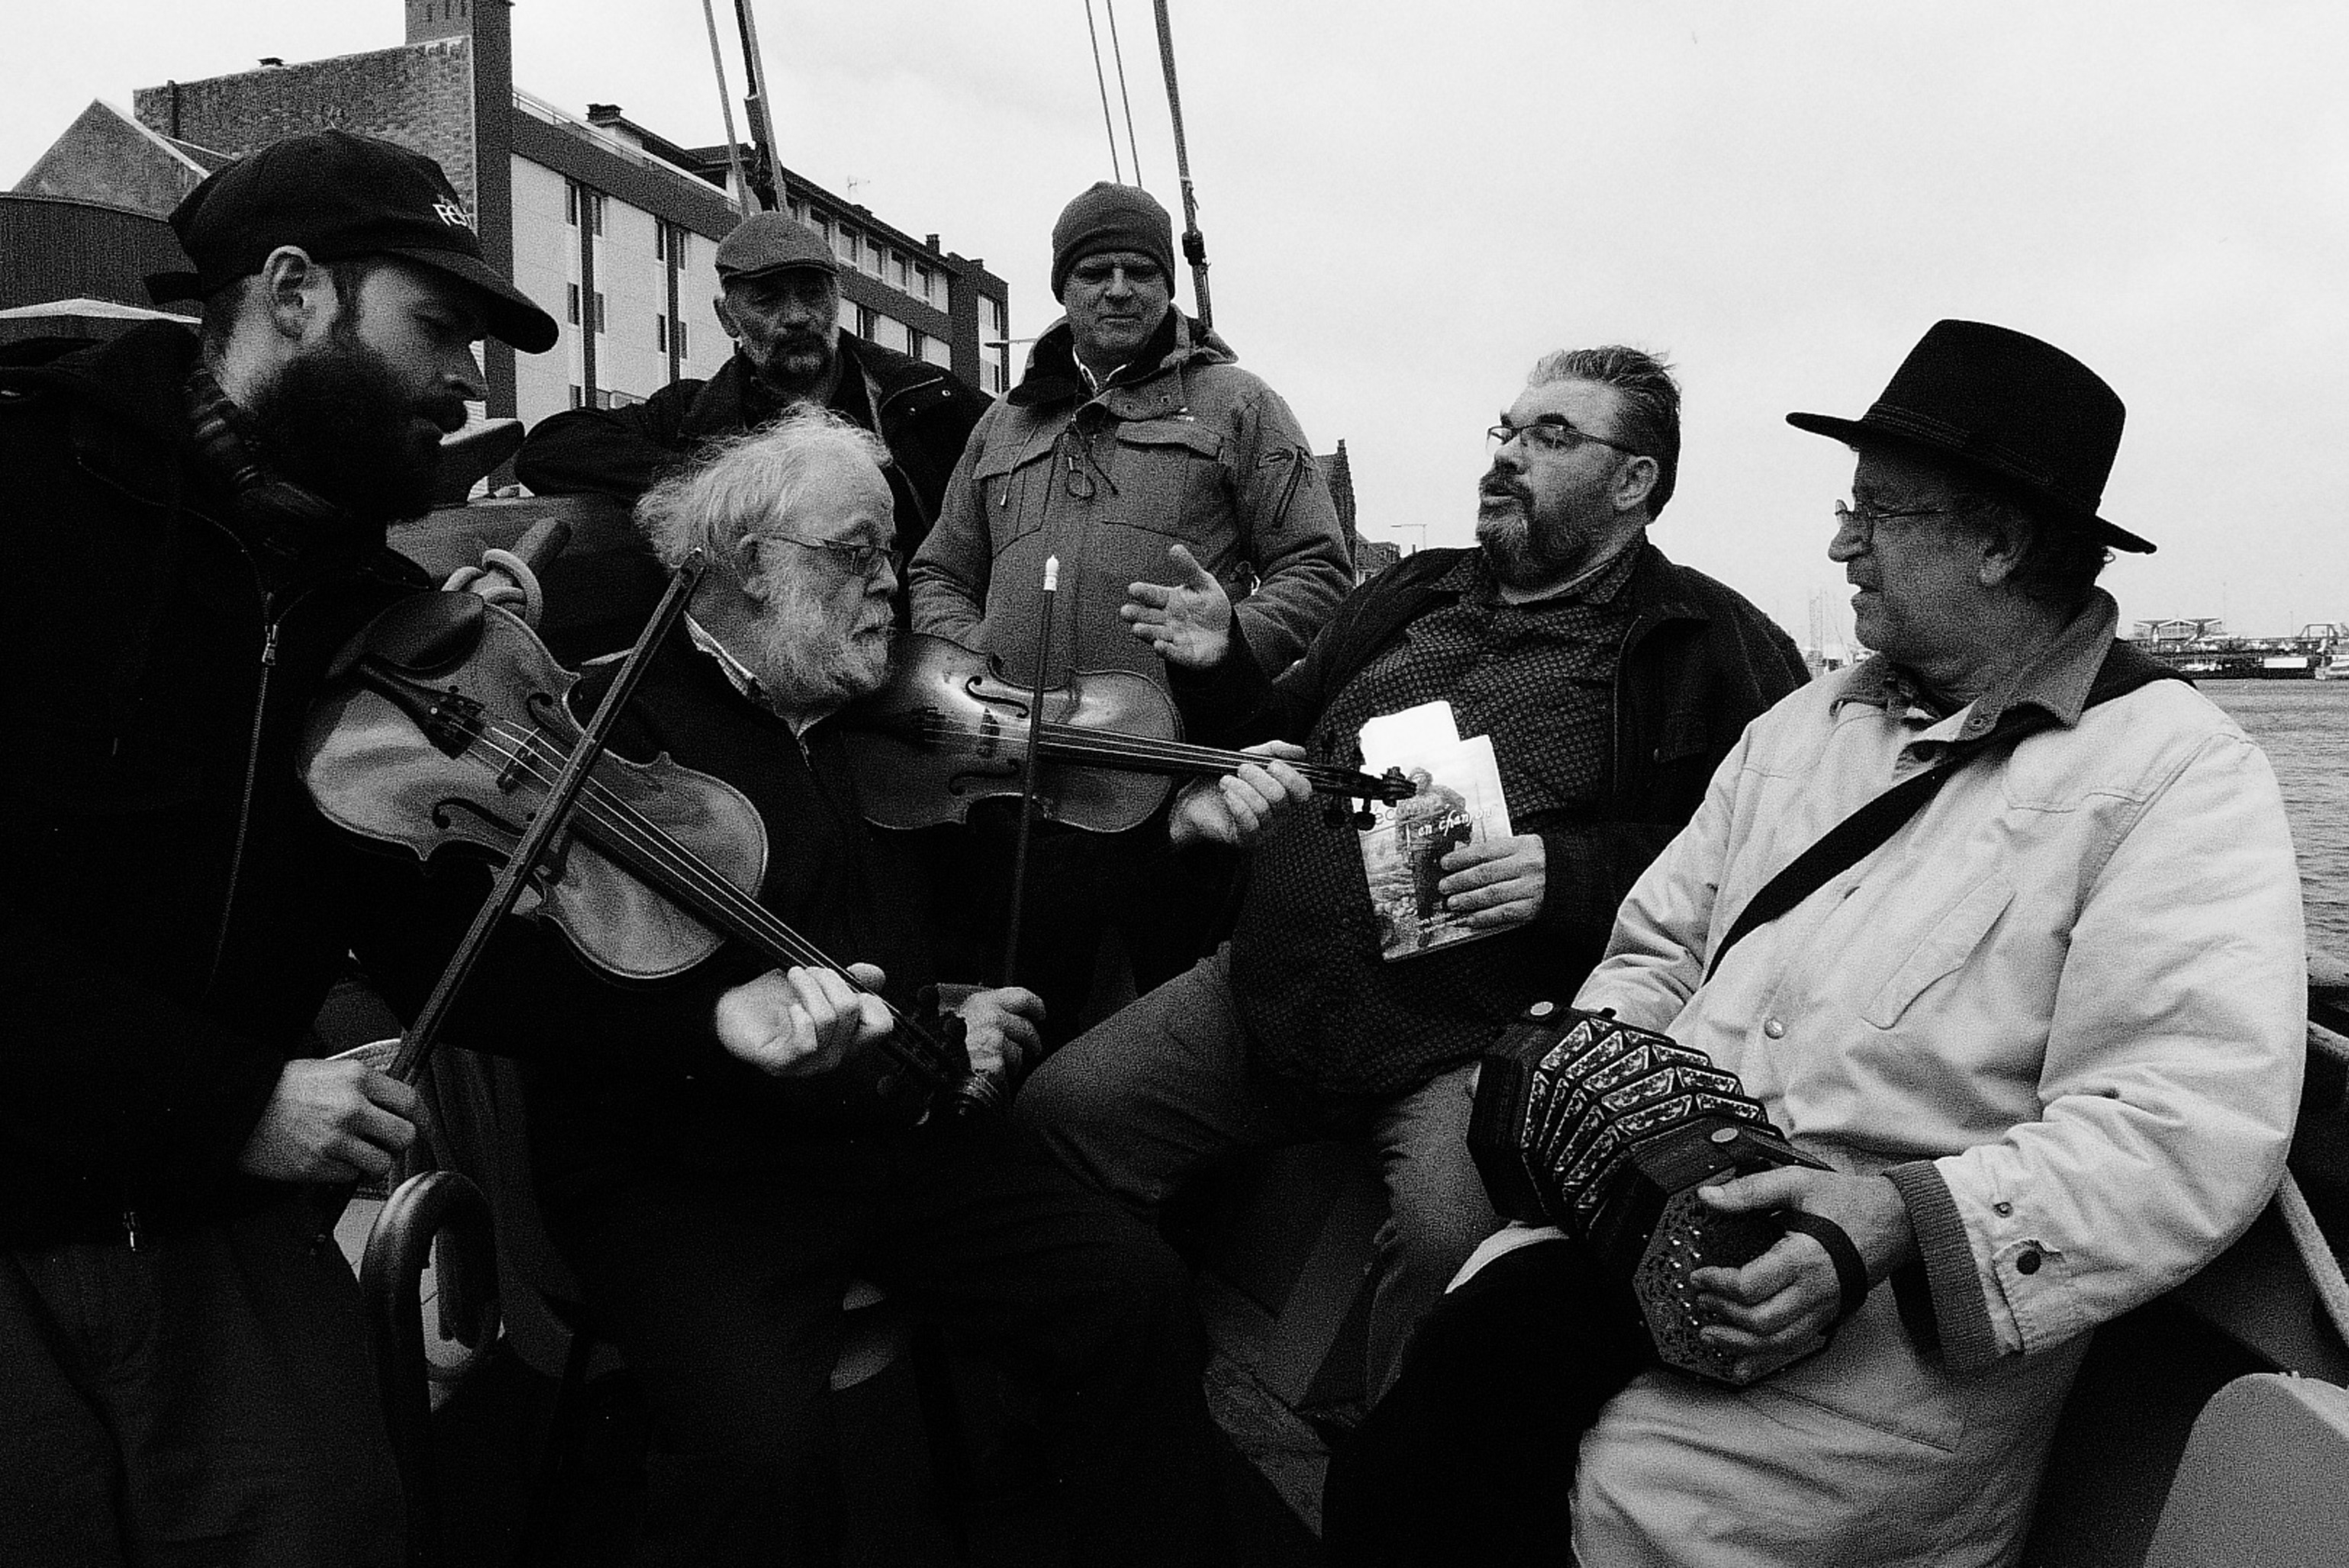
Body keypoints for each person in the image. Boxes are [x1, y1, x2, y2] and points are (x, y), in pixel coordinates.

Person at [1321, 320, 2309, 1567]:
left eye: (1876, 512)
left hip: (1878, 1340)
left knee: (1603, 1514)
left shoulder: (2175, 773)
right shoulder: (1802, 727)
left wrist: (1886, 1221)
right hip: (1634, 1239)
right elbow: (1659, 945)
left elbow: (2185, 1122)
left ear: (1998, 545)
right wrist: (1593, 1100)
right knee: (1398, 1470)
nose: (1841, 543)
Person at [382, 411, 1302, 1566]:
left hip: (893, 1129)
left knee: (1134, 1292)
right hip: (689, 1171)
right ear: (747, 566)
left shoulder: (887, 720)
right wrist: (712, 1029)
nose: (891, 586)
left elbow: (1027, 874)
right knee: (759, 1455)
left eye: (892, 556)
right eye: (854, 553)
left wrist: (1179, 834)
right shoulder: (614, 727)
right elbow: (530, 983)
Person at [1014, 345, 1809, 1399]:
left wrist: (1571, 873)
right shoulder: (1410, 590)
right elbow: (1276, 736)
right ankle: (1125, 1383)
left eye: (1552, 436)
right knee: (1058, 1114)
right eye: (1507, 431)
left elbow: (1762, 859)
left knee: (1454, 1252)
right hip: (1267, 994)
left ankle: (1382, 1463)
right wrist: (1219, 666)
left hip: (1465, 1049)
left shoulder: (1712, 644)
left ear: (1634, 481)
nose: (1509, 455)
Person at [0, 129, 559, 1566]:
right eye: (438, 325)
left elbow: (436, 927)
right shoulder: (24, 488)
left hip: (223, 1233)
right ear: (296, 292)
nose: (469, 380)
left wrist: (732, 1008)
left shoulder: (363, 602)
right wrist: (231, 1098)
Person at [909, 182, 1355, 1038]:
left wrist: (1224, 646)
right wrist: (976, 665)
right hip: (1017, 794)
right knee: (1019, 1025)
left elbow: (1318, 568)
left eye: (1140, 271)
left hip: (1171, 794)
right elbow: (936, 572)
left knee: (1160, 1028)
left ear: (1166, 286)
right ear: (1062, 288)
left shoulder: (1240, 403)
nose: (1119, 289)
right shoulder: (1001, 426)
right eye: (1095, 272)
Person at [512, 208, 993, 629]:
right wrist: (725, 488)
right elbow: (549, 449)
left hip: (916, 651)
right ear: (728, 318)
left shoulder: (924, 399)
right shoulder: (695, 413)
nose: (797, 316)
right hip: (773, 660)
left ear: (837, 301)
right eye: (768, 301)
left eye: (813, 295)